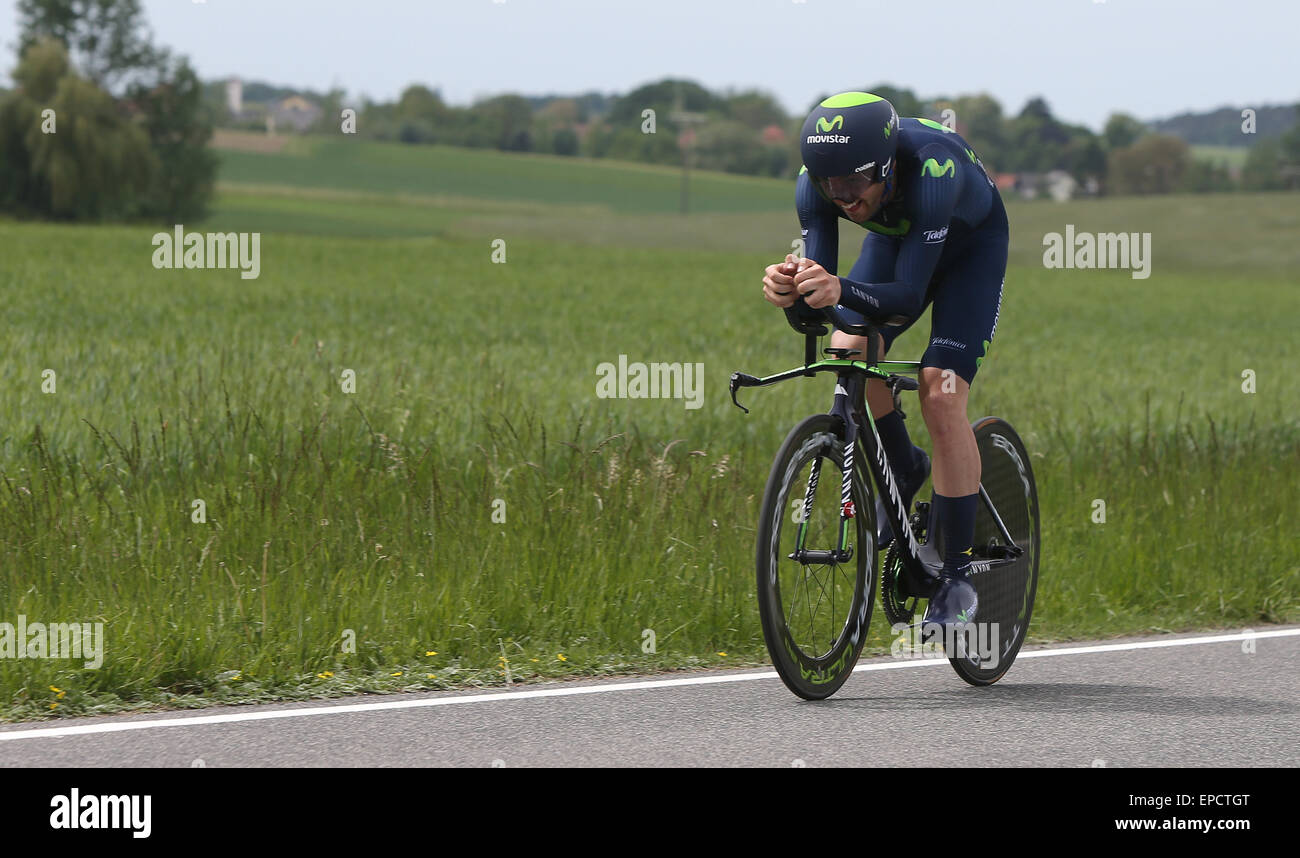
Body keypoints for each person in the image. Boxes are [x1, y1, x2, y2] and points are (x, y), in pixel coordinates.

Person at [761, 91, 1008, 629]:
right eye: (832, 187)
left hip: (968, 251)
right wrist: (794, 294)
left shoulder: (933, 171)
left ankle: (957, 577)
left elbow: (906, 292)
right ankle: (903, 461)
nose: (844, 200)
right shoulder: (821, 182)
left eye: (853, 185)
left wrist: (837, 287)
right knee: (849, 349)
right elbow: (826, 305)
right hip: (901, 242)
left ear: (887, 166)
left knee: (940, 394)